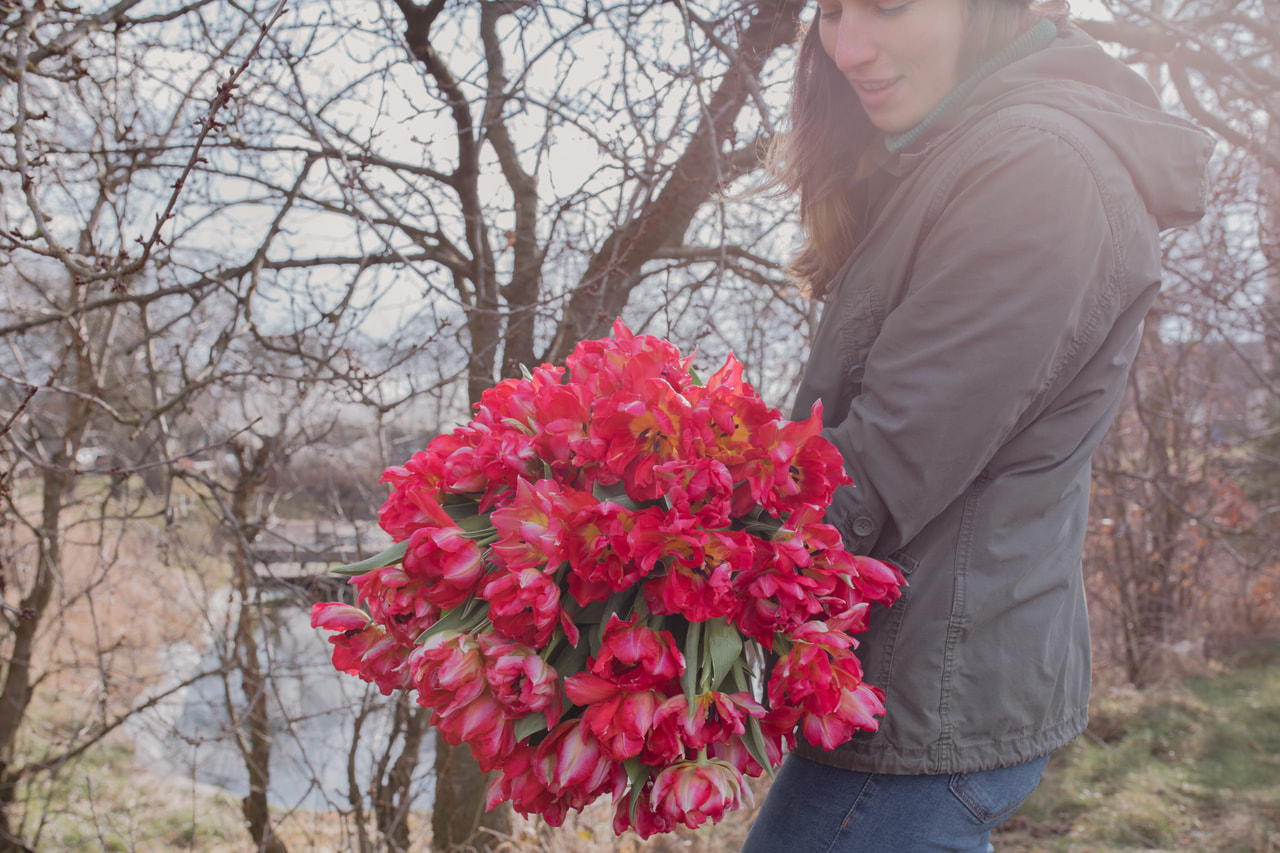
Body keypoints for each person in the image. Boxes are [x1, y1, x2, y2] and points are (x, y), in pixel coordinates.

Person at [741, 1, 1213, 851]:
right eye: (833, 10)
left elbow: (880, 464)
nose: (848, 47)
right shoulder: (964, 150)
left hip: (926, 686)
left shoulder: (1037, 168)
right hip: (906, 673)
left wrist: (656, 554)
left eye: (886, 5)